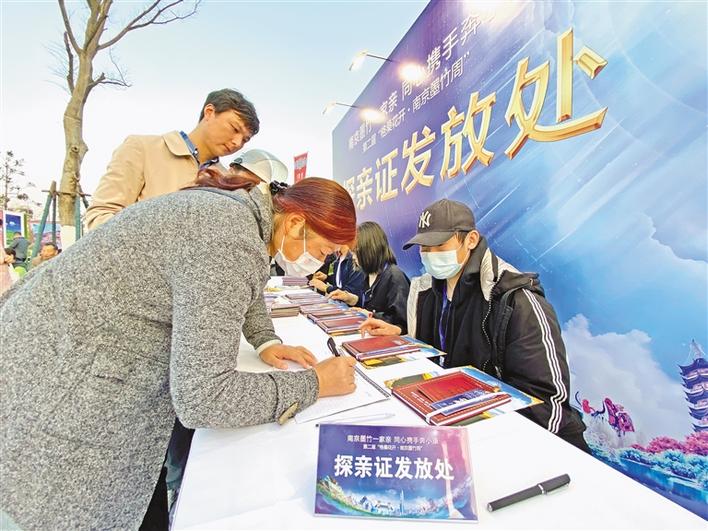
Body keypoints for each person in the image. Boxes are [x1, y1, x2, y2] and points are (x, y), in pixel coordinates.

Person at [0, 168, 358, 530]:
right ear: (296, 223)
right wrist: (314, 384)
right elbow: (204, 395)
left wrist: (264, 340)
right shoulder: (229, 237)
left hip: (61, 357)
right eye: (323, 251)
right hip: (63, 391)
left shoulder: (239, 218)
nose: (319, 262)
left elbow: (244, 287)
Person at [360, 199, 589, 451]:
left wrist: (481, 437)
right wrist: (402, 334)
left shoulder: (515, 299)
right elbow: (437, 361)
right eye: (424, 247)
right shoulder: (425, 291)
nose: (430, 255)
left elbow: (548, 404)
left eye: (439, 245)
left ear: (470, 240)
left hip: (521, 445)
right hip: (452, 427)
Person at [86, 88, 262, 229]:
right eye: (234, 128)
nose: (237, 142)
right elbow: (101, 215)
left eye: (245, 139)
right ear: (209, 112)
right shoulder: (143, 148)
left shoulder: (229, 182)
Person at [329, 221, 410, 333]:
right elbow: (370, 304)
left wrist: (371, 315)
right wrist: (351, 299)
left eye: (355, 252)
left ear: (369, 250)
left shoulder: (395, 277)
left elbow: (402, 324)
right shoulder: (368, 274)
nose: (353, 257)